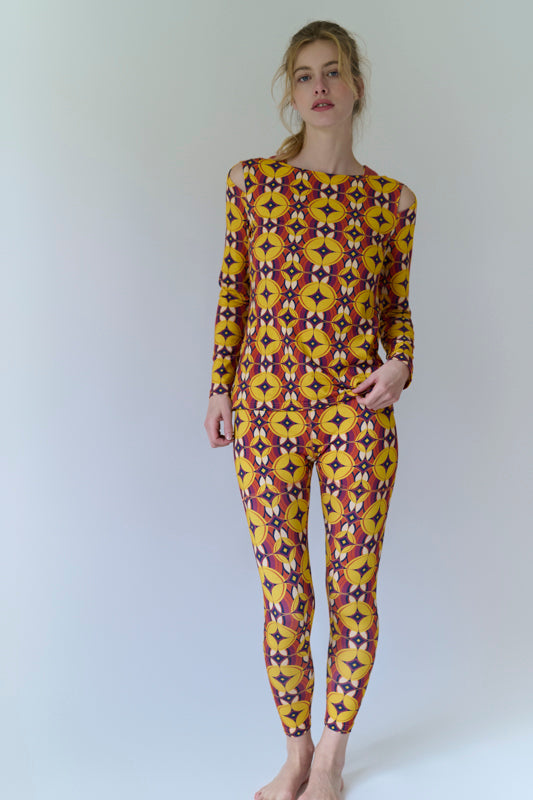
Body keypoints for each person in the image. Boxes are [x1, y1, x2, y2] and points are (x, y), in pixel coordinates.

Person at [204, 19, 418, 800]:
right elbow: (234, 290)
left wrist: (401, 363)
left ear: (355, 85)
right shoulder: (252, 183)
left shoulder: (391, 202)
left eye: (331, 72)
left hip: (355, 419)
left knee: (352, 590)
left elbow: (395, 310)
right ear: (290, 92)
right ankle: (294, 754)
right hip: (266, 413)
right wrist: (219, 386)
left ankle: (330, 761)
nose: (319, 87)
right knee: (286, 594)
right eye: (303, 75)